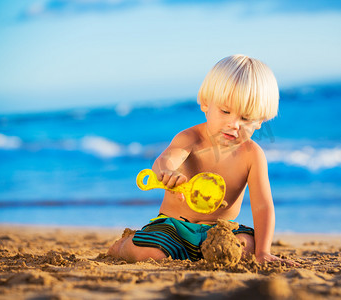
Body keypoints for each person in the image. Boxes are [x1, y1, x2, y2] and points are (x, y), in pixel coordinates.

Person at [108, 54, 297, 265]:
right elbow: (167, 158)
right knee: (153, 254)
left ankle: (214, 251)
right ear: (206, 104)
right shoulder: (191, 139)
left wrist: (263, 251)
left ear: (261, 121)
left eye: (245, 118)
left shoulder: (252, 155)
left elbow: (262, 206)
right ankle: (123, 246)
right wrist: (168, 172)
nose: (234, 124)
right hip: (174, 227)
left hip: (220, 230)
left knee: (244, 247)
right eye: (225, 111)